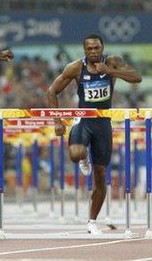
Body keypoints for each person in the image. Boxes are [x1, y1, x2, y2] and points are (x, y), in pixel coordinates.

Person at [47, 34, 142, 234]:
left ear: (102, 48)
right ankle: (83, 157)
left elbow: (137, 77)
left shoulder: (112, 62)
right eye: (89, 48)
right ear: (84, 50)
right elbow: (51, 91)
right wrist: (56, 121)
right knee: (74, 154)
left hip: (103, 124)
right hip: (84, 120)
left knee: (100, 176)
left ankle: (91, 221)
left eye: (96, 48)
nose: (93, 51)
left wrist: (110, 71)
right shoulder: (75, 68)